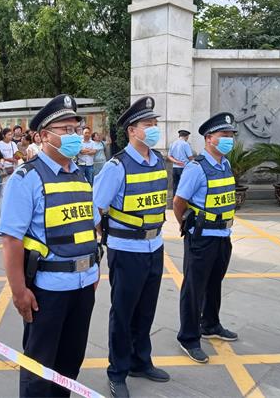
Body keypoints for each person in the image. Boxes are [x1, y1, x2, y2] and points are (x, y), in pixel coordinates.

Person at [0, 94, 99, 398]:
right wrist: (19, 291)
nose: (73, 135)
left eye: (75, 128)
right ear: (44, 136)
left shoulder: (80, 175)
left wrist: (93, 271)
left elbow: (89, 228)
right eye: (65, 129)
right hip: (48, 290)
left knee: (70, 363)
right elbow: (11, 240)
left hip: (83, 286)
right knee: (39, 368)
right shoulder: (26, 178)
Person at [93, 96, 170, 397]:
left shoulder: (158, 160)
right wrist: (102, 241)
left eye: (155, 123)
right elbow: (95, 209)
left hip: (155, 247)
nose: (153, 128)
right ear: (132, 131)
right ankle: (117, 371)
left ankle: (141, 361)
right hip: (126, 250)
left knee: (146, 310)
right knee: (123, 314)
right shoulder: (117, 166)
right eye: (147, 124)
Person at [174, 113, 239, 364]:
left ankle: (210, 324)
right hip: (201, 238)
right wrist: (185, 225)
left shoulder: (225, 164)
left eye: (231, 135)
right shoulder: (196, 168)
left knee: (214, 283)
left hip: (223, 236)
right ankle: (188, 337)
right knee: (194, 288)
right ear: (209, 138)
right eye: (224, 135)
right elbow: (178, 201)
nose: (229, 139)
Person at [168, 130, 194, 196]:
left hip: (174, 168)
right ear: (186, 136)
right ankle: (182, 201)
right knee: (184, 186)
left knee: (175, 185)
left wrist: (176, 162)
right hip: (184, 167)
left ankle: (174, 200)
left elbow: (169, 156)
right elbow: (190, 157)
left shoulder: (172, 144)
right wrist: (194, 163)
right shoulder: (185, 144)